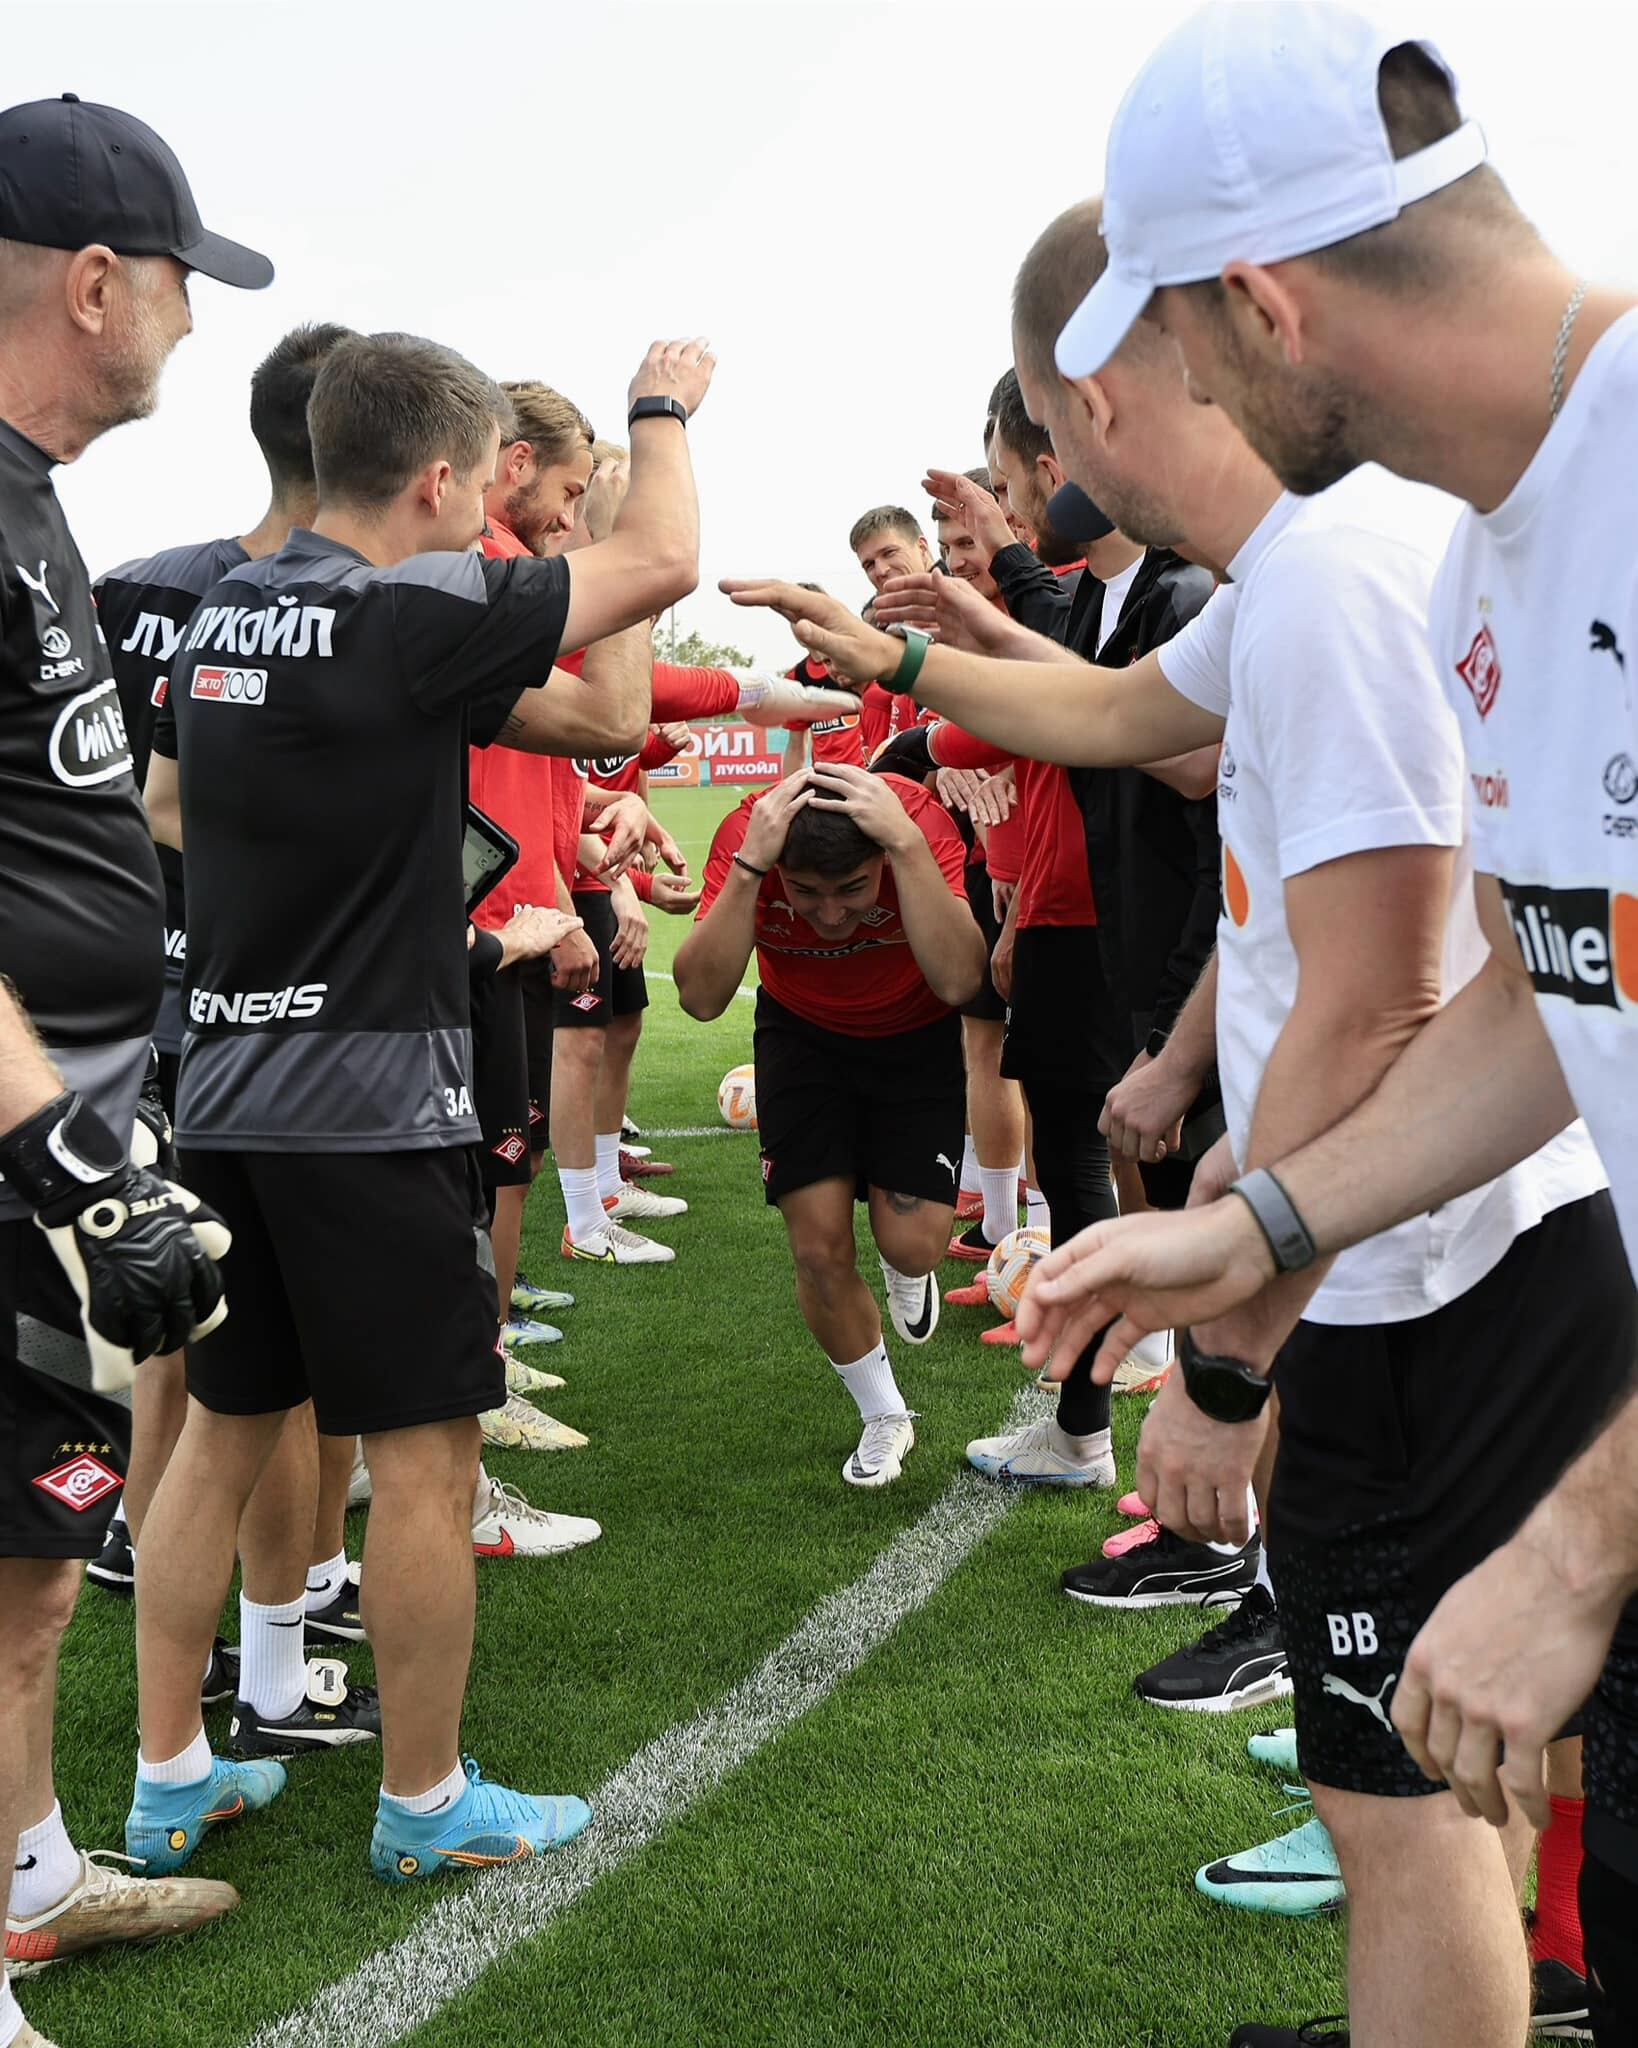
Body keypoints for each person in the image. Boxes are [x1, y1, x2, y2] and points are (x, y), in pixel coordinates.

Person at [721, 194, 1623, 2043]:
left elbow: (1385, 984)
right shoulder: (1352, 568)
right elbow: (1127, 714)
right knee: (1420, 1767)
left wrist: (1233, 1346)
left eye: (1037, 437)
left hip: (1444, 1269)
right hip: (1397, 1229)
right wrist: (1249, 1222)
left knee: (1403, 1796)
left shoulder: (1351, 573)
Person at [1019, 8, 1638, 2036]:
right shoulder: (1487, 554)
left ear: (1267, 301)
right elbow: (1562, 980)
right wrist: (1263, 1224)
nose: (1172, 392)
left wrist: (1579, 1541)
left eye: (1178, 343)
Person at [131, 329, 712, 1891]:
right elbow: (662, 562)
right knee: (431, 1451)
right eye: (494, 496)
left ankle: (168, 1776)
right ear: (447, 478)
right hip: (372, 1102)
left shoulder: (225, 613)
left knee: (220, 1433)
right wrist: (655, 415)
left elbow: (176, 804)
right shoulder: (407, 608)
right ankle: (425, 1796)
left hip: (228, 1092)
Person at [0, 90, 268, 2044]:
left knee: (29, 1552)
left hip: (59, 1116)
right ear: (96, 280)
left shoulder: (31, 502)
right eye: (180, 279)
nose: (192, 316)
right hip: (27, 1138)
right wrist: (71, 1154)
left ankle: (25, 1871)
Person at [92, 323, 372, 1712]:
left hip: (126, 1014)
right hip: (252, 1021)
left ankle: (211, 1642)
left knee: (184, 1366)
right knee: (248, 1376)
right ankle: (252, 1653)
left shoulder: (133, 586)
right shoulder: (321, 612)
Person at [674, 764, 985, 1487]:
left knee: (911, 1245)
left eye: (851, 890)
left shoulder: (917, 825)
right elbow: (698, 997)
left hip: (914, 1036)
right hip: (802, 1037)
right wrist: (753, 866)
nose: (832, 915)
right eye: (807, 893)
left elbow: (962, 981)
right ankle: (884, 1415)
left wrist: (906, 850)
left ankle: (907, 1271)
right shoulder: (751, 832)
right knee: (816, 1249)